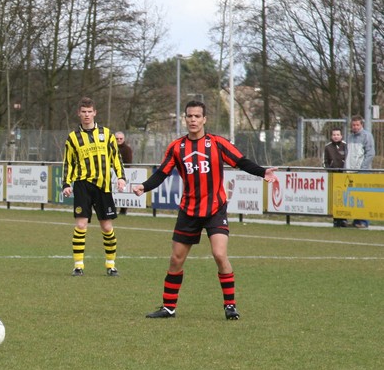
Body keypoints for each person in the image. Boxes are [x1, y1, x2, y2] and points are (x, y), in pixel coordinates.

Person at [132, 99, 277, 321]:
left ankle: (230, 306)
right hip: (188, 210)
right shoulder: (177, 147)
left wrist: (262, 172)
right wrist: (144, 186)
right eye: (189, 116)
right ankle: (168, 307)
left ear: (204, 119)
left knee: (219, 254)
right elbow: (162, 173)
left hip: (215, 209)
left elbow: (241, 161)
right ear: (185, 119)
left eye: (197, 116)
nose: (193, 120)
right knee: (176, 259)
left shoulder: (218, 143)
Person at [61, 97, 126, 276]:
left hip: (103, 186)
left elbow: (116, 158)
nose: (87, 115)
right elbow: (68, 163)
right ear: (79, 113)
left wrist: (121, 177)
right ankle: (78, 265)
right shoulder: (73, 138)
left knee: (107, 227)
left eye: (90, 112)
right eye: (84, 112)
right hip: (82, 184)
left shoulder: (107, 134)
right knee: (81, 225)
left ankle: (111, 265)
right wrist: (66, 183)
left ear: (95, 113)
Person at [346, 115, 375, 229]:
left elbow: (370, 154)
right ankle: (356, 221)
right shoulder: (349, 137)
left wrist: (362, 168)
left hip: (362, 172)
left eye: (357, 125)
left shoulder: (367, 136)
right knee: (354, 198)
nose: (355, 127)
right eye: (353, 125)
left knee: (363, 197)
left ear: (361, 125)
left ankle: (363, 221)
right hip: (351, 172)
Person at [323, 128, 349, 227]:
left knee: (344, 197)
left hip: (344, 176)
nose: (336, 136)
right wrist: (329, 170)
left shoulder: (346, 145)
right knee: (335, 198)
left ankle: (344, 219)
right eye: (334, 135)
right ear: (331, 136)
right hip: (333, 176)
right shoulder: (327, 147)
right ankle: (336, 219)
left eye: (338, 134)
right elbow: (324, 161)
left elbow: (349, 159)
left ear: (341, 136)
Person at [115, 130, 134, 215]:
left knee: (123, 192)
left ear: (124, 139)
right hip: (112, 173)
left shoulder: (127, 149)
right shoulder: (110, 148)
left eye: (120, 138)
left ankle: (123, 210)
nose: (119, 140)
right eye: (117, 138)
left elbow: (128, 162)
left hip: (123, 173)